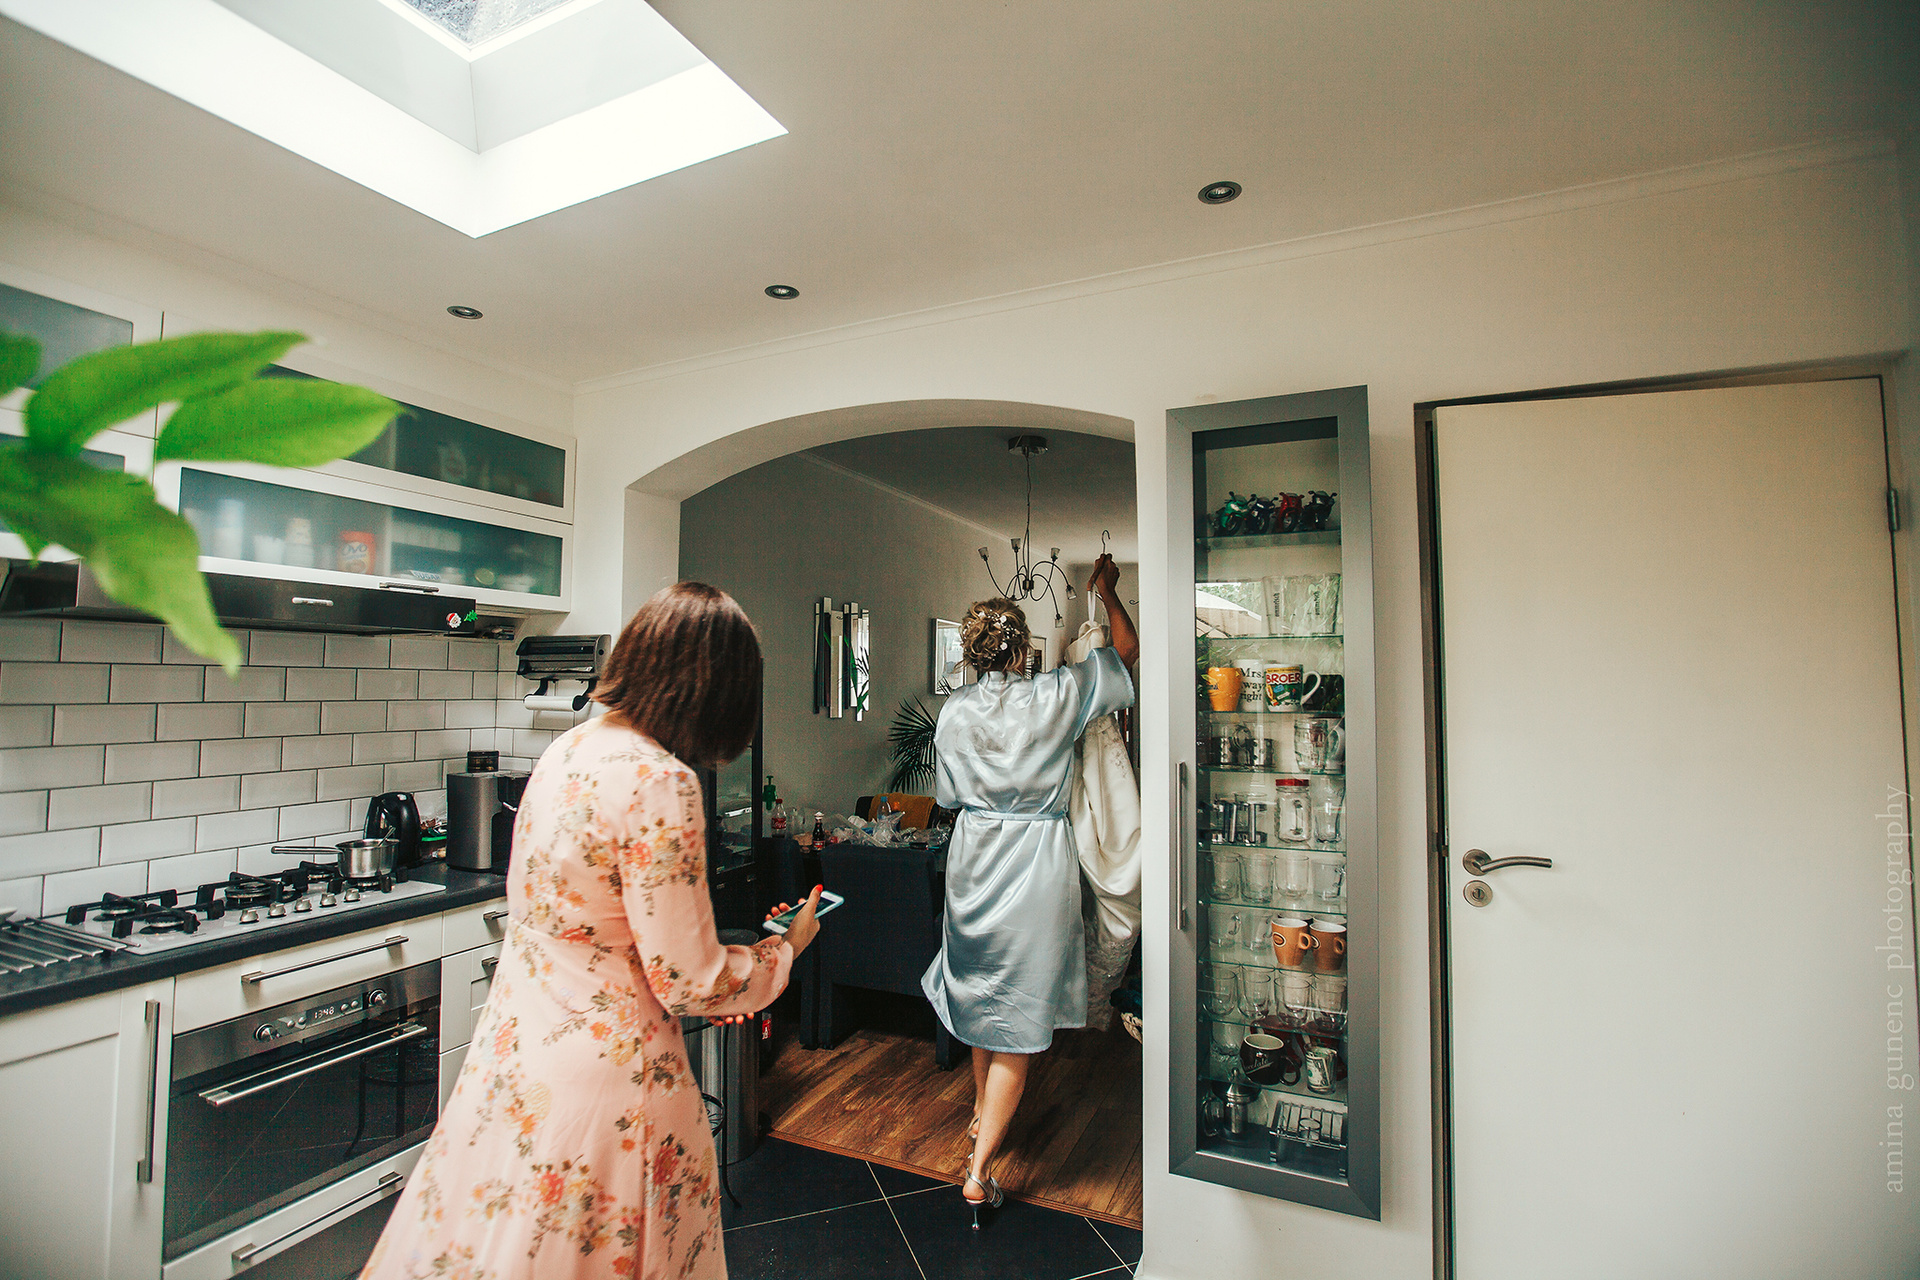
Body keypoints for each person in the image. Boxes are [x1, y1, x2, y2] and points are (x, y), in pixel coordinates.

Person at [362, 582, 824, 1280]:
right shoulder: (659, 782)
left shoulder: (566, 752)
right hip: (610, 1083)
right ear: (714, 693)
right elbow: (690, 980)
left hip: (517, 1062)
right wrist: (782, 950)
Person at [920, 554, 1138, 1227]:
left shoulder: (953, 711)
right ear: (1021, 651)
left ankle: (980, 1115)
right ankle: (979, 1173)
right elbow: (1125, 651)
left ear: (974, 654)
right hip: (1036, 859)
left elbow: (947, 797)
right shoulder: (1055, 695)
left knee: (981, 995)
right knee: (1017, 1023)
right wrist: (1107, 592)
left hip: (973, 857)